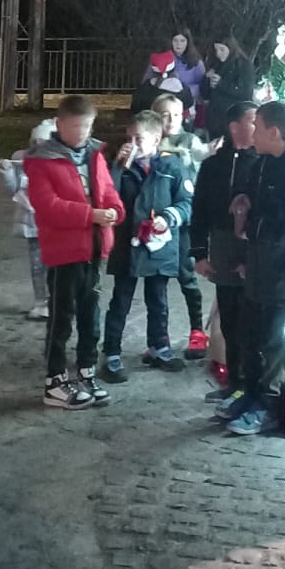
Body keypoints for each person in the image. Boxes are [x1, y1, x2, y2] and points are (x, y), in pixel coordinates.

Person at [220, 99, 285, 437]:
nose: (252, 131)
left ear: (274, 132)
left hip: (283, 275)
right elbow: (253, 193)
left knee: (273, 343)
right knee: (249, 337)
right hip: (258, 268)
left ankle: (267, 405)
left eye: (258, 126)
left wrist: (254, 229)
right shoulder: (264, 164)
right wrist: (244, 199)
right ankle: (249, 396)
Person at [24, 95, 123, 411]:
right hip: (65, 252)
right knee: (61, 318)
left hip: (93, 250)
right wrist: (90, 215)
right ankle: (54, 378)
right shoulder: (42, 161)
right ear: (59, 124)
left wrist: (114, 211)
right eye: (77, 126)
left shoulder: (95, 154)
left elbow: (107, 191)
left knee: (90, 317)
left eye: (88, 126)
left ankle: (86, 372)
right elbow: (48, 206)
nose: (82, 132)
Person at [101, 109, 192, 381]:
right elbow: (107, 196)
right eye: (129, 139)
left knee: (158, 299)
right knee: (121, 300)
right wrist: (117, 168)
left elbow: (186, 203)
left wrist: (169, 218)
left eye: (139, 139)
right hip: (127, 246)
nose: (132, 145)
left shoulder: (171, 166)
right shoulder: (121, 167)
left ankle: (159, 347)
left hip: (158, 245)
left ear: (156, 138)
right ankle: (111, 352)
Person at [191, 100, 259, 404]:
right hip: (222, 245)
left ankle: (251, 386)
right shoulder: (212, 166)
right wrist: (200, 253)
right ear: (235, 127)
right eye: (252, 120)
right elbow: (200, 211)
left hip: (255, 249)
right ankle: (234, 382)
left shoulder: (263, 163)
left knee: (251, 321)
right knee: (229, 317)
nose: (258, 126)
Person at [157, 93, 210, 358]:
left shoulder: (190, 142)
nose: (170, 120)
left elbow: (203, 162)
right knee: (158, 281)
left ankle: (197, 332)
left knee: (187, 277)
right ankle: (159, 336)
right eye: (165, 115)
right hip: (157, 224)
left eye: (176, 114)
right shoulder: (151, 143)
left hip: (184, 222)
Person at [0, 118, 56, 320]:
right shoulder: (20, 161)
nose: (37, 147)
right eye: (34, 143)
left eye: (42, 144)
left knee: (56, 266)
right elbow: (11, 190)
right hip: (32, 224)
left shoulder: (59, 162)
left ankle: (57, 300)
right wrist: (6, 174)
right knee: (37, 265)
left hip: (56, 224)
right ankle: (40, 302)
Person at [202, 37, 256, 140]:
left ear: (231, 48)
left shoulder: (244, 65)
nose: (218, 54)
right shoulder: (216, 64)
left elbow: (245, 92)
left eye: (222, 50)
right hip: (214, 118)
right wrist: (206, 79)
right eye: (216, 50)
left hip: (231, 118)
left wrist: (221, 83)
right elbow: (205, 94)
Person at [170, 31, 206, 105]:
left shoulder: (196, 62)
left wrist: (183, 90)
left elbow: (202, 86)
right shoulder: (161, 59)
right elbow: (148, 81)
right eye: (175, 40)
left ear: (188, 43)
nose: (178, 44)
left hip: (189, 102)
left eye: (182, 41)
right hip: (166, 102)